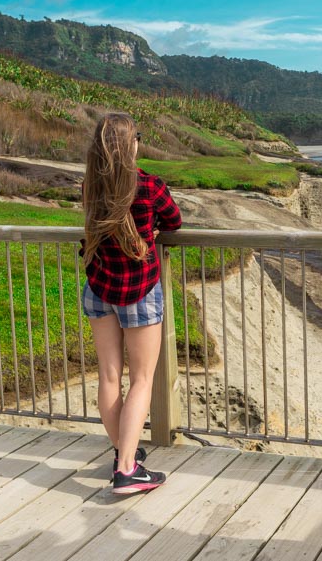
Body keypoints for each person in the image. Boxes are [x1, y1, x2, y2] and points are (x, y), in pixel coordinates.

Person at [81, 113, 182, 494]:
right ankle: (126, 469)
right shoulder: (150, 186)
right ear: (131, 145)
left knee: (109, 377)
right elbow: (174, 222)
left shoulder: (91, 187)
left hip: (99, 287)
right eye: (137, 136)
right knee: (141, 379)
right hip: (139, 290)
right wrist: (151, 229)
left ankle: (124, 453)